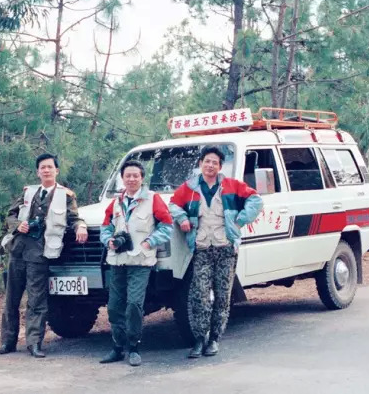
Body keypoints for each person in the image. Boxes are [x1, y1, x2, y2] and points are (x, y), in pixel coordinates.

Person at [169, 146, 262, 358]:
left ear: (220, 166)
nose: (210, 165)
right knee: (200, 296)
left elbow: (255, 200)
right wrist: (182, 218)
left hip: (225, 248)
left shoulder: (231, 185)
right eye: (207, 161)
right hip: (201, 248)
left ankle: (214, 339)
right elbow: (173, 204)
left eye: (214, 162)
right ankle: (199, 339)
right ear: (200, 163)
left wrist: (240, 220)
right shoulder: (190, 188)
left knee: (222, 296)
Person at [0, 153, 88, 358]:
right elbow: (10, 214)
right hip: (18, 250)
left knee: (37, 300)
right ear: (38, 172)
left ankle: (34, 343)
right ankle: (7, 342)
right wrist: (18, 225)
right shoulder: (28, 192)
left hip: (40, 252)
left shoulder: (66, 195)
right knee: (11, 299)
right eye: (42, 168)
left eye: (49, 167)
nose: (46, 170)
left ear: (56, 171)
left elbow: (74, 217)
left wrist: (81, 226)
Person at [99, 160, 173, 366]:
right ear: (122, 178)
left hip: (141, 261)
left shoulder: (152, 199)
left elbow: (167, 225)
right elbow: (106, 227)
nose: (131, 179)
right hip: (118, 261)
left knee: (133, 304)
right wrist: (109, 240)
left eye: (135, 176)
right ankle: (117, 347)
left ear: (142, 178)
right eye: (127, 176)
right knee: (114, 306)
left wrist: (150, 242)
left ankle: (133, 347)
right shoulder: (116, 202)